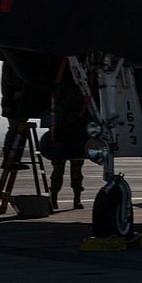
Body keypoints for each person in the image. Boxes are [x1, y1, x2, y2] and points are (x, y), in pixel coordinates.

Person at [45, 74, 89, 210]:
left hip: (69, 135)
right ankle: (69, 199)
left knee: (63, 171)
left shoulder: (58, 89)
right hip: (67, 135)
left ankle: (60, 198)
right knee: (66, 171)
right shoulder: (80, 89)